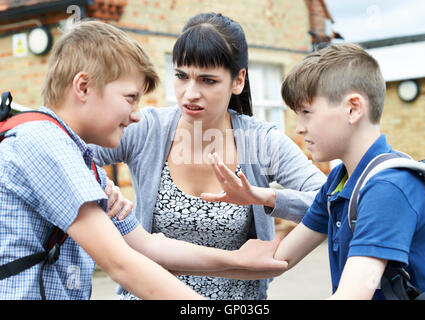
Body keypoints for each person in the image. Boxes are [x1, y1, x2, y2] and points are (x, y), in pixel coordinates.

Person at [0, 20, 288, 300]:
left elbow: (148, 246)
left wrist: (237, 258)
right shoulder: (44, 145)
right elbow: (123, 264)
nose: (137, 114)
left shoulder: (81, 162)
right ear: (84, 87)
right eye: (130, 98)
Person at [91, 12, 326, 300]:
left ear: (238, 81)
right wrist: (102, 187)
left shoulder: (261, 142)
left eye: (207, 80)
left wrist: (265, 198)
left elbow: (328, 200)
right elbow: (69, 151)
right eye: (180, 76)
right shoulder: (146, 129)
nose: (190, 93)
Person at [211, 43, 425, 299]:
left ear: (353, 109)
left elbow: (351, 295)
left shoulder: (388, 188)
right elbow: (277, 259)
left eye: (306, 112)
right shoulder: (339, 180)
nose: (300, 128)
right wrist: (170, 260)